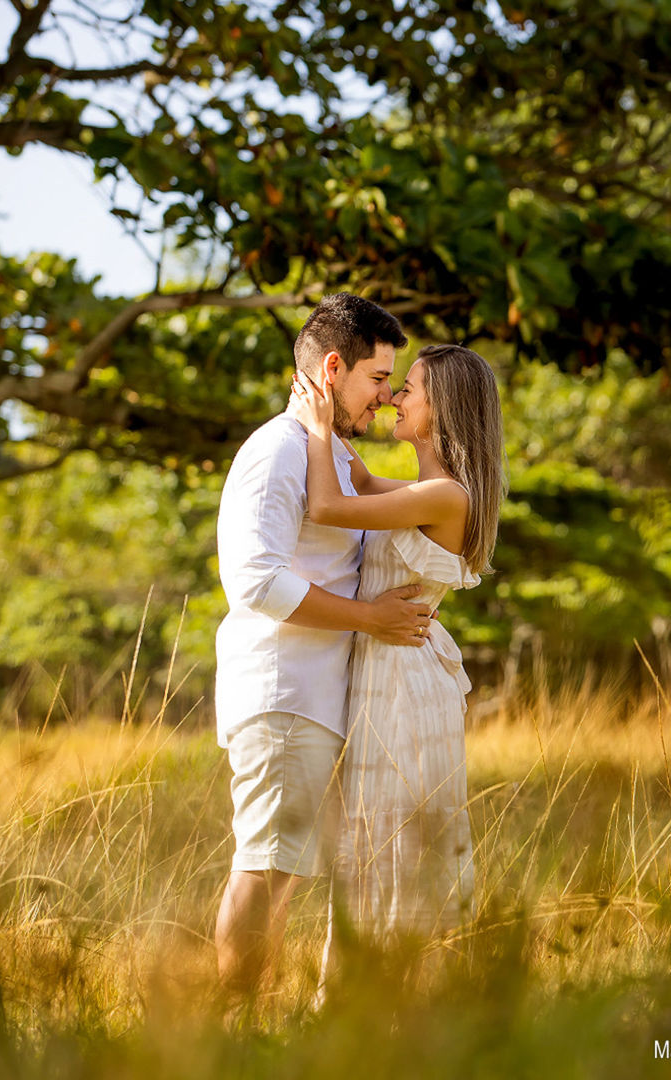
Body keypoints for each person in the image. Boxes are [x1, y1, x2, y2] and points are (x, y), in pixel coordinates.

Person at [212, 293, 432, 1000]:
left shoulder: (330, 454)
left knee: (283, 876)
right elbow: (255, 580)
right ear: (333, 368)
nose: (385, 396)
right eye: (376, 380)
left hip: (311, 702)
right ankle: (225, 1034)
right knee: (265, 865)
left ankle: (246, 1032)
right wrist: (369, 619)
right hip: (282, 692)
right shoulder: (278, 451)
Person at [291, 342, 505, 948]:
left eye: (408, 388)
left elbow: (331, 505)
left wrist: (312, 429)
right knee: (372, 837)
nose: (393, 397)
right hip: (387, 670)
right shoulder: (423, 489)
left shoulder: (446, 496)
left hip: (404, 686)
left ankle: (388, 1006)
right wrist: (331, 422)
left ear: (444, 409)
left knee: (392, 839)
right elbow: (355, 479)